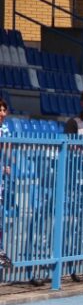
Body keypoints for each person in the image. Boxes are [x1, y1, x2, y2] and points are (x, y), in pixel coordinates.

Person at [0, 98, 11, 269]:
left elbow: (7, 150)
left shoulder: (5, 129)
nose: (2, 114)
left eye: (4, 110)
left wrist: (6, 165)